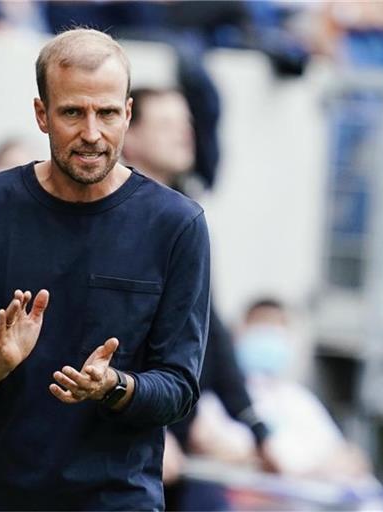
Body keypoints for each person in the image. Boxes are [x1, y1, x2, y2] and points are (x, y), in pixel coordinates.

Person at [0, 28, 212, 510]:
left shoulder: (177, 225)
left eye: (108, 113)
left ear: (127, 114)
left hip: (116, 500)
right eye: (73, 112)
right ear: (42, 114)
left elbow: (179, 387)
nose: (92, 133)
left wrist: (115, 385)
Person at [122, 87, 279, 511]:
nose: (183, 135)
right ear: (129, 135)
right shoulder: (112, 220)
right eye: (167, 124)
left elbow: (209, 328)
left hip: (175, 443)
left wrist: (255, 428)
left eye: (186, 124)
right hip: (122, 445)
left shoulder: (185, 218)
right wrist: (147, 433)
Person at [190, 298, 372, 481]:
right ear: (238, 332)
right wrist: (261, 459)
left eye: (278, 327)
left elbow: (346, 455)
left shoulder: (299, 400)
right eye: (262, 325)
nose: (270, 337)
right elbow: (202, 443)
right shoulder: (213, 398)